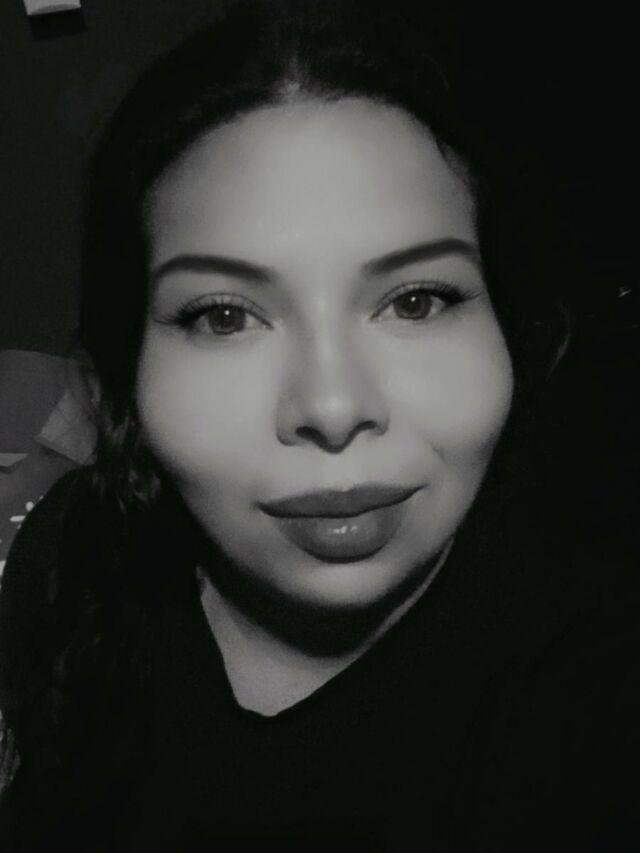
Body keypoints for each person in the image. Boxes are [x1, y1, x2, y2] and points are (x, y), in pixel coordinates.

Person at [0, 0, 637, 849]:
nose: (333, 408)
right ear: (125, 371)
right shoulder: (69, 555)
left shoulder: (597, 689)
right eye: (224, 315)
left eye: (417, 300)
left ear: (512, 330)